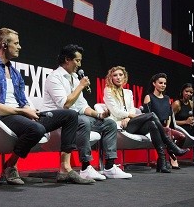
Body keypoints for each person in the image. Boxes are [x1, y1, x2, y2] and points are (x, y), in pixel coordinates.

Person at [0, 28, 93, 185]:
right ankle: (10, 166)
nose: (19, 46)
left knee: (70, 115)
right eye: (16, 43)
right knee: (37, 129)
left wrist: (30, 110)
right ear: (4, 45)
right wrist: (22, 111)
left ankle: (65, 168)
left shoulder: (15, 73)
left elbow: (23, 100)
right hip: (1, 117)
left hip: (21, 115)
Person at [43, 44, 131, 180]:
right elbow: (65, 104)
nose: (80, 64)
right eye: (77, 60)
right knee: (83, 121)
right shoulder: (55, 77)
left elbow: (82, 106)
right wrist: (81, 86)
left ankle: (109, 167)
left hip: (74, 118)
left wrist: (100, 115)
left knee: (109, 123)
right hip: (57, 119)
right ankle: (85, 167)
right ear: (67, 59)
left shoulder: (74, 77)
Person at [103, 66, 188, 173]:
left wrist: (128, 118)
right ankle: (170, 145)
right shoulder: (108, 90)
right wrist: (131, 117)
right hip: (119, 125)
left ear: (125, 77)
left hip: (130, 123)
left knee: (152, 123)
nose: (118, 77)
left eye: (121, 75)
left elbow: (132, 109)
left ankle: (161, 162)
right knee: (151, 114)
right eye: (115, 75)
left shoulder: (128, 92)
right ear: (111, 78)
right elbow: (115, 112)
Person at [143, 73, 191, 169]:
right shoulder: (149, 97)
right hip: (152, 127)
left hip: (165, 127)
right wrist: (165, 128)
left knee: (182, 136)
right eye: (160, 83)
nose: (163, 85)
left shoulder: (167, 98)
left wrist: (168, 125)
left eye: (164, 83)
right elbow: (148, 116)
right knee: (167, 131)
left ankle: (171, 154)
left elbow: (169, 115)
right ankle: (171, 158)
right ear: (154, 83)